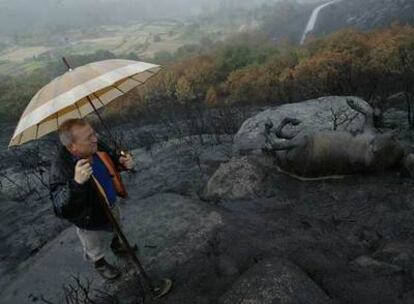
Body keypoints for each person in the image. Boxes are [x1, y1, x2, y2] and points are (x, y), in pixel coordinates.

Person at [49, 118, 137, 280]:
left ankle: (117, 245)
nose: (95, 139)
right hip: (90, 219)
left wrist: (122, 163)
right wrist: (76, 183)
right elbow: (61, 208)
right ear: (72, 147)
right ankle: (100, 263)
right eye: (88, 137)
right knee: (94, 244)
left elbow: (110, 160)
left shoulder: (95, 146)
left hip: (110, 203)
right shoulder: (61, 167)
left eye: (93, 134)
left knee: (116, 227)